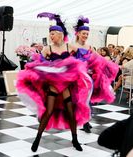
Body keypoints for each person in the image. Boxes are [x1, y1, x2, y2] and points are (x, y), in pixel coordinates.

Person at [17, 12, 93, 152]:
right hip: (53, 83)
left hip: (66, 84)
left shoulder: (69, 47)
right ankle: (37, 139)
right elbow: (39, 62)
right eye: (50, 33)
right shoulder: (48, 48)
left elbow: (83, 56)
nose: (51, 36)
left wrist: (88, 63)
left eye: (53, 33)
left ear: (60, 34)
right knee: (49, 111)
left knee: (71, 112)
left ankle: (75, 139)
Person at [73, 16, 119, 133]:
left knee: (87, 99)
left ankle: (86, 121)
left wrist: (110, 65)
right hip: (78, 77)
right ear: (78, 34)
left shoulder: (89, 47)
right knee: (82, 100)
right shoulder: (72, 46)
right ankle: (84, 121)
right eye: (84, 33)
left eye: (87, 34)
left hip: (88, 77)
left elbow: (98, 59)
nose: (86, 36)